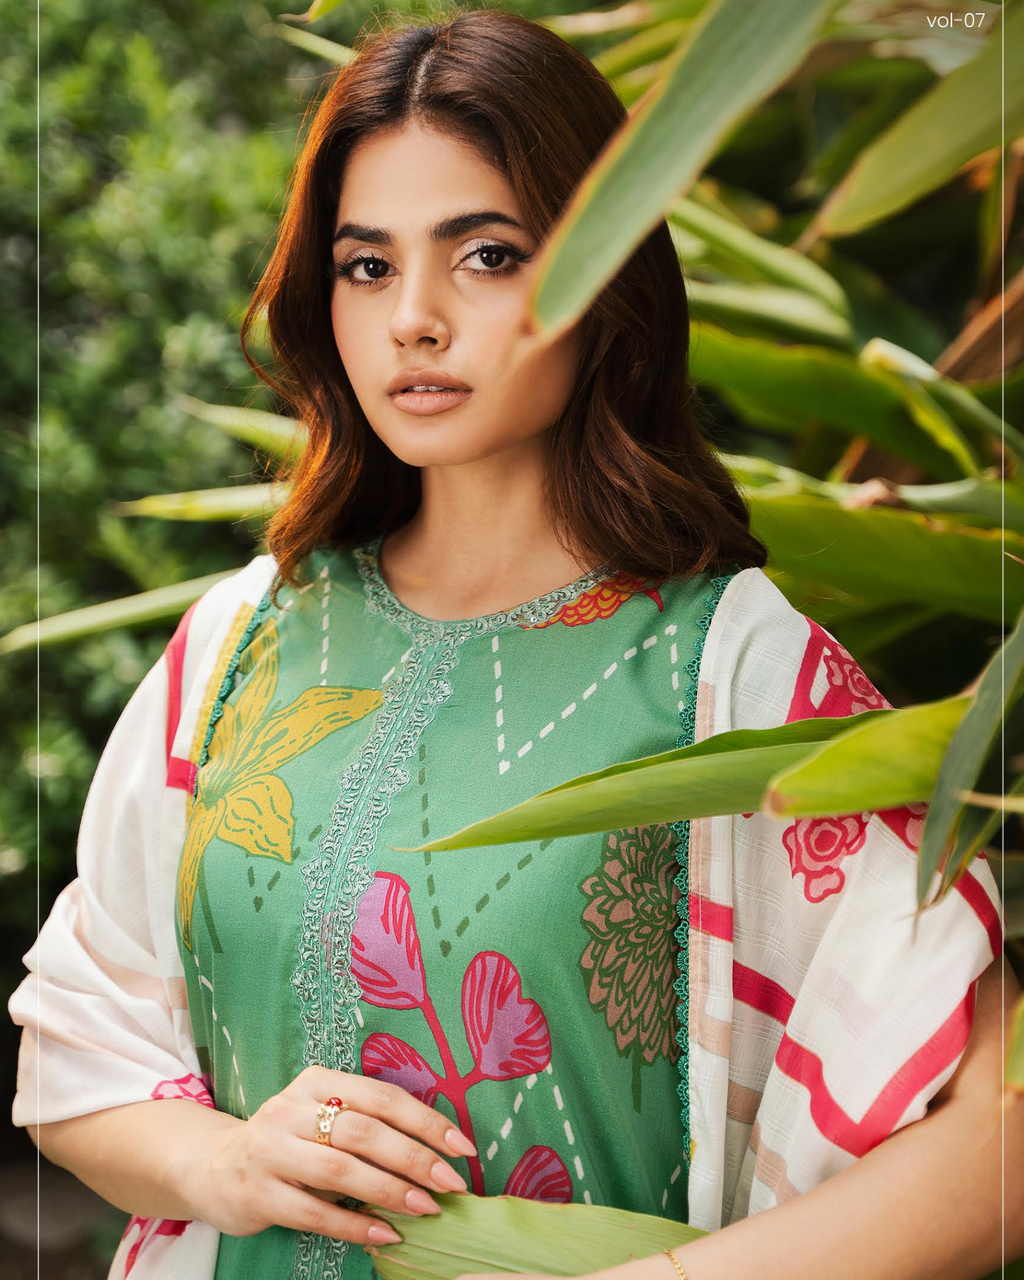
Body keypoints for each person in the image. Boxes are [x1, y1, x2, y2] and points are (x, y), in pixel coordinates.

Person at [9, 8, 1017, 1280]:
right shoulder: (239, 642)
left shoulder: (733, 671)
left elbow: (994, 1133)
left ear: (607, 278)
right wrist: (222, 1161)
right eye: (366, 265)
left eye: (484, 255)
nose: (413, 319)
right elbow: (71, 1049)